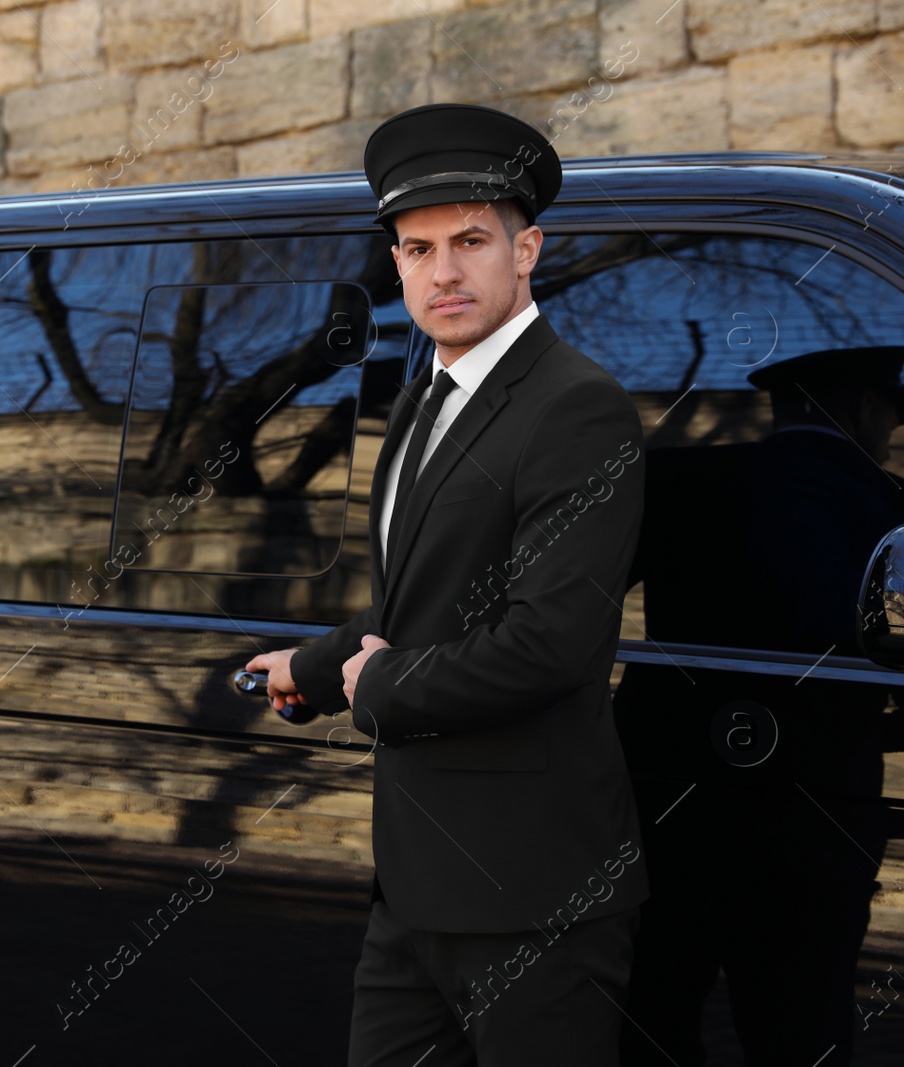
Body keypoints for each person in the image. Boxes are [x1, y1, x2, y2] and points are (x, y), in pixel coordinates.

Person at [245, 102, 649, 1066]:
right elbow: (416, 603)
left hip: (533, 896)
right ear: (397, 264)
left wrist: (376, 688)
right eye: (418, 248)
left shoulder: (576, 407)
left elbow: (550, 641)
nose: (445, 271)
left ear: (528, 249)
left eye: (471, 240)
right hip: (415, 888)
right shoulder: (426, 396)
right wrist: (320, 660)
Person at [615, 346, 904, 1066]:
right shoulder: (893, 508)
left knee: (651, 1014)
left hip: (669, 800)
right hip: (816, 818)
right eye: (890, 416)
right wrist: (875, 733)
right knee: (798, 1029)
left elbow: (569, 606)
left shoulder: (680, 477)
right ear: (865, 409)